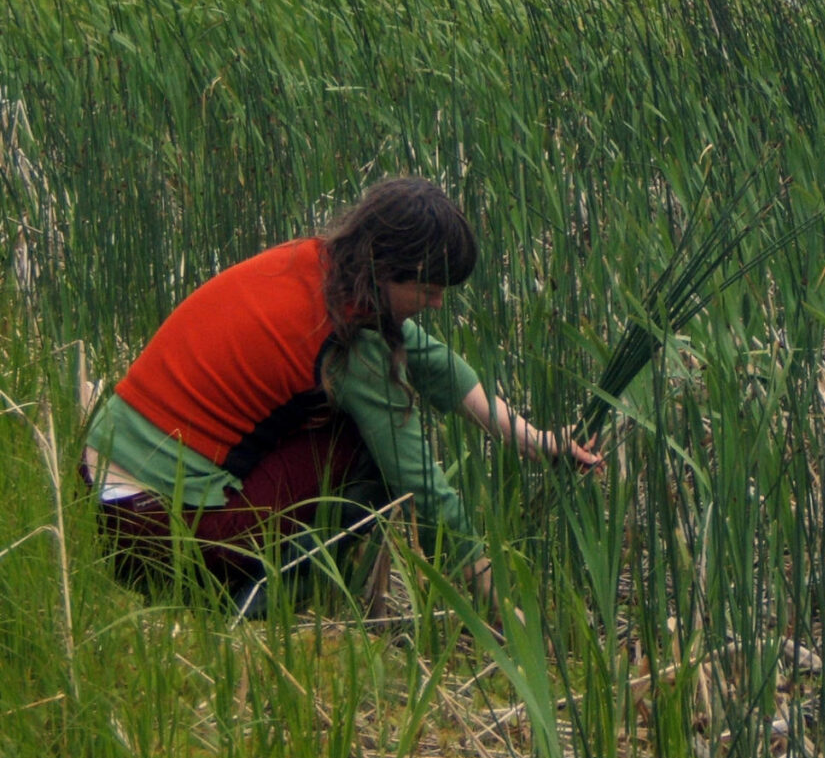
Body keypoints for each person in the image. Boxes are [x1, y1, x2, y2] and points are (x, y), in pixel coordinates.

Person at [82, 176, 600, 608]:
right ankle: (255, 601)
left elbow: (432, 362)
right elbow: (421, 483)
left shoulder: (319, 264)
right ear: (385, 270)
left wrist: (535, 441)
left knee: (339, 422)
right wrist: (496, 604)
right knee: (365, 446)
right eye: (429, 289)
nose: (438, 304)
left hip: (98, 489)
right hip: (153, 529)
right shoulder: (349, 344)